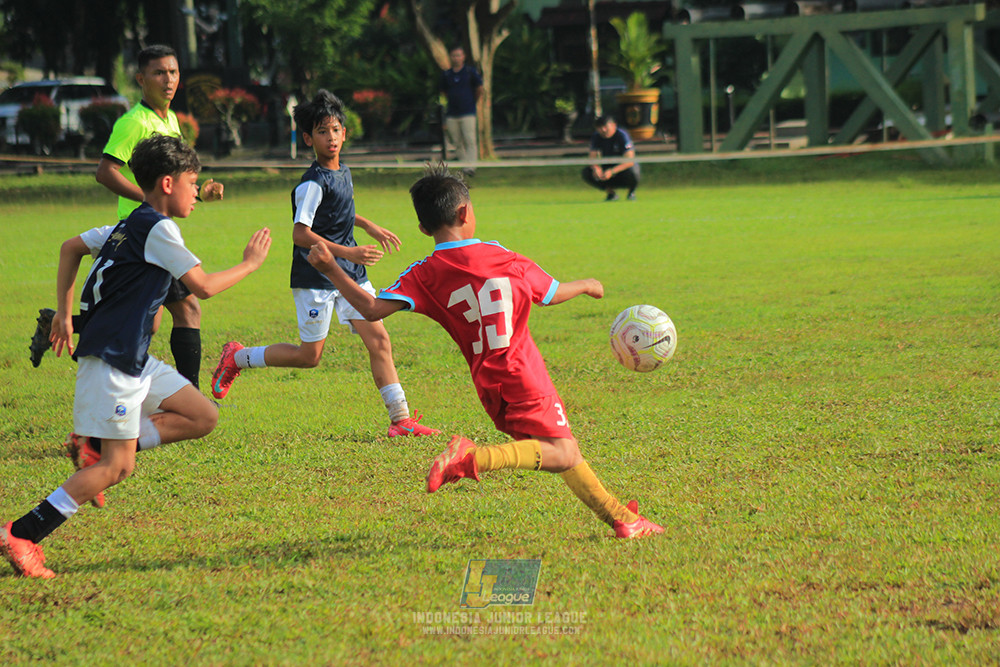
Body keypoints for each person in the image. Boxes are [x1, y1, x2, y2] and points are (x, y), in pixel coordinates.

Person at [305, 165, 663, 539]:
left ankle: (623, 520)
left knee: (559, 450)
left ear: (425, 229)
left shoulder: (425, 272)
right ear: (465, 213)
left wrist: (331, 268)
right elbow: (550, 293)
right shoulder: (501, 256)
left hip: (488, 387)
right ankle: (473, 457)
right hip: (523, 375)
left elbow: (372, 309)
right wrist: (587, 284)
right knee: (562, 452)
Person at [0, 134, 271, 579]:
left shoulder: (130, 224)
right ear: (168, 183)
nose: (196, 193)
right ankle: (24, 533)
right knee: (117, 466)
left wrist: (66, 316)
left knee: (202, 414)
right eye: (192, 183)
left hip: (131, 357)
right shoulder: (159, 230)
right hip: (113, 362)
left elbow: (71, 247)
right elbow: (202, 286)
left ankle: (93, 443)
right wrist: (250, 263)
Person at [210, 91, 439, 439]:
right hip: (316, 275)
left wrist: (367, 225)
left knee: (379, 339)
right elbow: (301, 233)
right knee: (309, 357)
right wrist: (348, 253)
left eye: (335, 130)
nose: (330, 137)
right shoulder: (311, 183)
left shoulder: (342, 171)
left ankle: (401, 420)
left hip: (349, 273)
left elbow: (339, 210)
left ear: (344, 133)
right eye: (321, 131)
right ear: (308, 138)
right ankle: (238, 357)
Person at [92, 44, 224, 389]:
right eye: (159, 73)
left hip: (154, 230)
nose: (168, 80)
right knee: (188, 308)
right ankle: (189, 394)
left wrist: (200, 193)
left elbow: (174, 179)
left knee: (148, 319)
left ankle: (62, 324)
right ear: (140, 79)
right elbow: (105, 172)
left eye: (174, 72)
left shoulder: (170, 120)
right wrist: (149, 198)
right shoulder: (133, 122)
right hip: (141, 232)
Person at [439, 46, 482, 175]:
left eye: (459, 55)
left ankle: (471, 167)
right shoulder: (447, 75)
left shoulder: (470, 72)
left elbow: (479, 88)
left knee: (470, 139)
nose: (456, 58)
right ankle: (464, 165)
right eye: (454, 55)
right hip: (452, 113)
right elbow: (443, 92)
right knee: (456, 141)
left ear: (463, 57)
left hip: (468, 112)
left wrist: (472, 101)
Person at [581, 115, 639, 202]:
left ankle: (631, 193)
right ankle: (611, 193)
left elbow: (629, 161)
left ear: (614, 125)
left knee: (633, 169)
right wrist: (596, 168)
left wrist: (612, 171)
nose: (603, 130)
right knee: (587, 172)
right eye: (600, 128)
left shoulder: (622, 135)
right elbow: (592, 158)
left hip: (621, 169)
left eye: (605, 127)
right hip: (606, 168)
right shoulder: (596, 136)